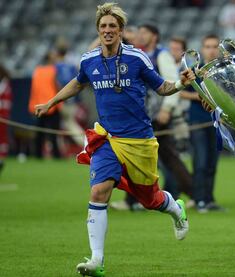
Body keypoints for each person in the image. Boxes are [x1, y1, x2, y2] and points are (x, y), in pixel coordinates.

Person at [34, 3, 195, 277]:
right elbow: (77, 82)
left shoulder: (138, 58)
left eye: (112, 27)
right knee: (98, 192)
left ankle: (176, 208)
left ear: (121, 31)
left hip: (139, 141)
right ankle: (97, 260)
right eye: (103, 27)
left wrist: (180, 84)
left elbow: (162, 88)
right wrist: (51, 101)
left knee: (150, 200)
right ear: (98, 30)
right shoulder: (89, 60)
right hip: (106, 137)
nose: (107, 31)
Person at [137, 24, 193, 201]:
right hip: (147, 113)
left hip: (157, 114)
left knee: (147, 155)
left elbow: (173, 82)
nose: (140, 35)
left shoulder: (161, 55)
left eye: (144, 32)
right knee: (166, 157)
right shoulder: (144, 54)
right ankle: (193, 193)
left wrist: (166, 109)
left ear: (154, 36)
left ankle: (137, 199)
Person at [180, 34, 224, 212]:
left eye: (214, 46)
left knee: (212, 162)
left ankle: (209, 198)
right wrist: (200, 97)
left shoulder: (222, 70)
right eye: (208, 46)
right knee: (200, 161)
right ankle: (198, 199)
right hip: (197, 121)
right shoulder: (193, 70)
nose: (211, 50)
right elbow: (180, 90)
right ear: (202, 49)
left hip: (216, 123)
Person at [29, 51, 62, 159]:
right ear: (50, 59)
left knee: (39, 133)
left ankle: (38, 154)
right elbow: (57, 86)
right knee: (53, 133)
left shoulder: (37, 70)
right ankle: (56, 154)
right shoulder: (53, 70)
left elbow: (34, 89)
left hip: (38, 105)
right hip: (51, 105)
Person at [0, 65, 12, 176]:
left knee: (2, 138)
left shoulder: (5, 85)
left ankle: (1, 160)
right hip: (3, 115)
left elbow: (5, 103)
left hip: (2, 117)